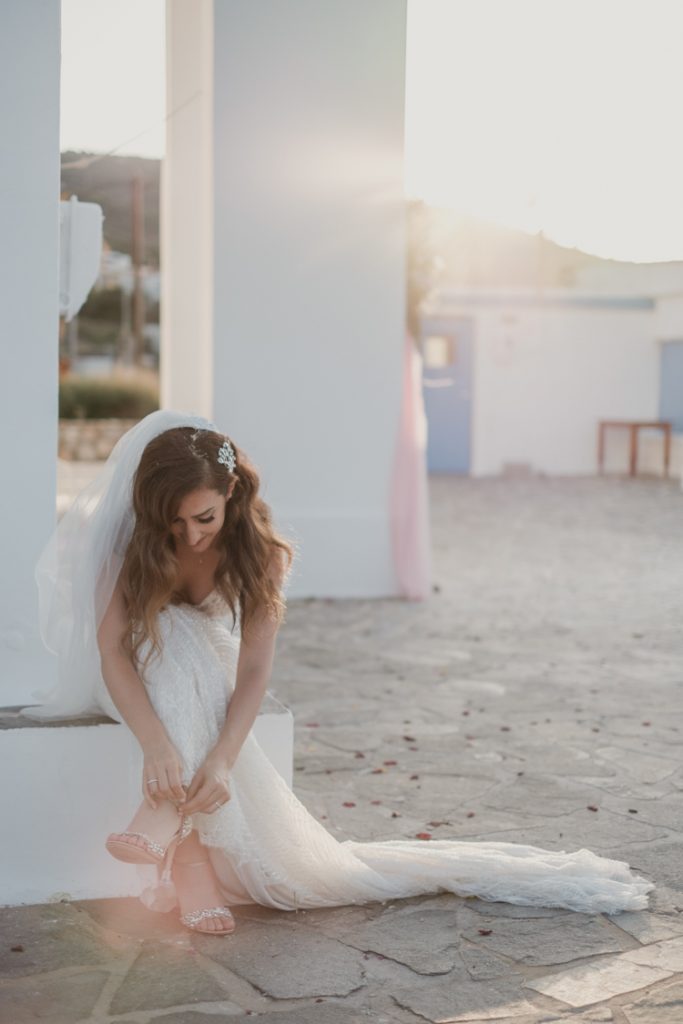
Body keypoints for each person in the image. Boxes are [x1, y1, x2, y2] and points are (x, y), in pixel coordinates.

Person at [22, 410, 654, 937]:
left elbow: (254, 670)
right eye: (175, 523)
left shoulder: (261, 557)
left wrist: (221, 761)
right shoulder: (130, 543)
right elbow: (112, 651)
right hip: (132, 672)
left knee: (191, 655)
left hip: (193, 675)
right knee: (177, 645)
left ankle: (167, 822)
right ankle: (190, 865)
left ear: (231, 493)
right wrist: (156, 744)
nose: (189, 537)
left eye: (204, 518)